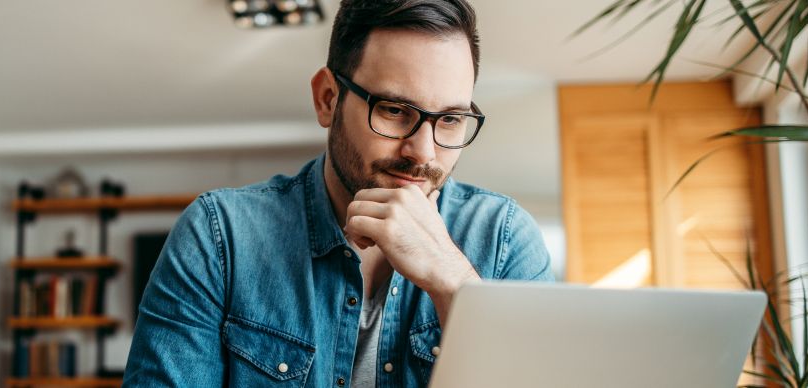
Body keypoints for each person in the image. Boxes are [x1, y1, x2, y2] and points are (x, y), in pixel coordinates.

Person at [123, 0, 553, 386]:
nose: (423, 152)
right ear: (328, 98)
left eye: (451, 119)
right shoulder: (221, 238)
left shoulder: (506, 239)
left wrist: (454, 287)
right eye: (394, 110)